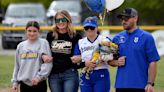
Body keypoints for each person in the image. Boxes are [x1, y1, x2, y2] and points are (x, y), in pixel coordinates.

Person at [112, 8, 160, 92]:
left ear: (135, 18)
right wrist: (117, 62)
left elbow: (153, 61)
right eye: (122, 19)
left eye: (126, 18)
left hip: (140, 86)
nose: (123, 21)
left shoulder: (147, 37)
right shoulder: (117, 38)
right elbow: (110, 60)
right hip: (121, 85)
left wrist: (150, 83)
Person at [72, 16, 121, 92]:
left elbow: (114, 55)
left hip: (101, 73)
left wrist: (103, 57)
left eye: (92, 27)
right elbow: (74, 59)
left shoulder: (104, 40)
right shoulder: (80, 42)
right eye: (86, 28)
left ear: (96, 28)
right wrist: (86, 62)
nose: (89, 30)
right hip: (85, 75)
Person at [46, 10, 85, 92]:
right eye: (58, 20)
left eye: (63, 20)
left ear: (68, 20)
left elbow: (83, 55)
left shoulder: (76, 36)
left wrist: (80, 58)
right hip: (54, 74)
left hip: (70, 73)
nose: (60, 22)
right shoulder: (50, 35)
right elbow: (46, 53)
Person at [11, 21, 53, 92]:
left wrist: (39, 77)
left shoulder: (43, 43)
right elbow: (17, 66)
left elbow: (48, 64)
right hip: (24, 84)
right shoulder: (21, 46)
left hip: (39, 83)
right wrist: (15, 82)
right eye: (29, 31)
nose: (32, 33)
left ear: (38, 31)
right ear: (26, 31)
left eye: (34, 31)